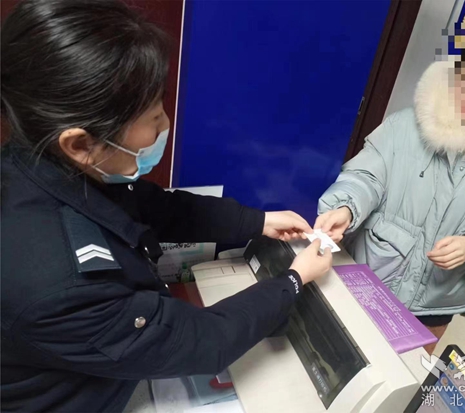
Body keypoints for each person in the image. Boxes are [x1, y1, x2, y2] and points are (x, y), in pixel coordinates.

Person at [0, 1, 333, 412]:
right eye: (154, 116)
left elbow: (152, 206)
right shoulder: (58, 286)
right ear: (81, 143)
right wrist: (294, 280)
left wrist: (257, 220)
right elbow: (203, 342)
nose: (165, 126)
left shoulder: (43, 161)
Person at [315, 26, 465, 354]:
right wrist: (346, 206)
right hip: (368, 277)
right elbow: (367, 176)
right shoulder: (404, 126)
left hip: (436, 302)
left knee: (403, 376)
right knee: (337, 356)